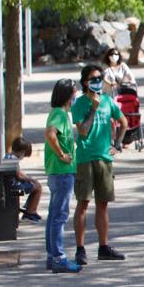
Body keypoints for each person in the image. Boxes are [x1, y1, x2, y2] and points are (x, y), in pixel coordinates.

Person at [71, 64, 127, 264]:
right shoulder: (79, 104)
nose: (97, 82)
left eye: (99, 78)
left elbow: (124, 122)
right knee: (83, 203)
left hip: (104, 158)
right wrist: (93, 109)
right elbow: (83, 131)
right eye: (93, 78)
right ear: (85, 81)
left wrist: (117, 145)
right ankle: (80, 248)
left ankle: (104, 247)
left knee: (102, 204)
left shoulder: (107, 101)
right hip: (85, 158)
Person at [44, 79, 81, 274]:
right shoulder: (59, 114)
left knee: (54, 214)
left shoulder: (60, 114)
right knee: (60, 215)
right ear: (67, 95)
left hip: (59, 171)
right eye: (74, 92)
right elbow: (50, 134)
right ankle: (58, 256)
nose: (76, 95)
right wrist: (61, 155)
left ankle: (52, 255)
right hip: (61, 170)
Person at [4, 138, 44, 223]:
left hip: (8, 185)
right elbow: (19, 175)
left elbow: (18, 173)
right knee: (38, 188)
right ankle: (30, 212)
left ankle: (30, 209)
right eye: (24, 153)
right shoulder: (13, 159)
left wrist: (29, 179)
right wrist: (32, 180)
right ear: (22, 151)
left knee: (34, 185)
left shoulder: (8, 156)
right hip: (14, 187)